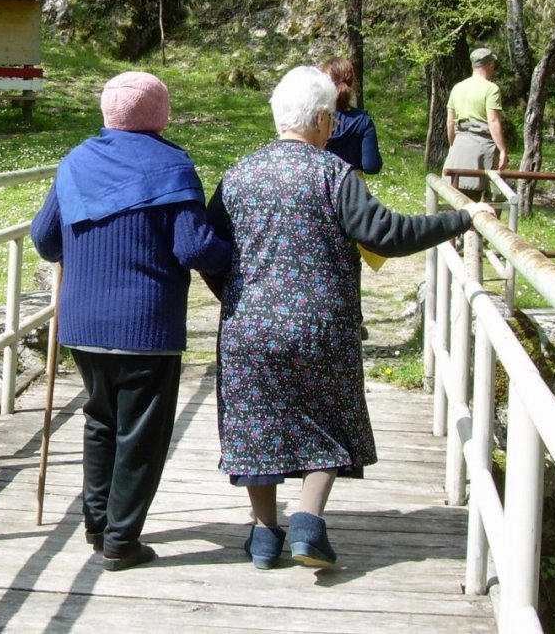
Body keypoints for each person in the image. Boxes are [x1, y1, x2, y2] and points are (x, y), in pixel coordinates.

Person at [204, 65, 494, 571]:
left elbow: (209, 250)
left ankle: (264, 536)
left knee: (255, 423)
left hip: (249, 327)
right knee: (329, 417)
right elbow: (385, 233)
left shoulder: (237, 176)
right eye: (332, 119)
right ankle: (308, 525)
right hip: (323, 326)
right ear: (321, 120)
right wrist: (463, 217)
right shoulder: (333, 175)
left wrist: (233, 295)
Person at [31, 71, 232, 572]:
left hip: (83, 324)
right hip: (146, 326)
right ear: (160, 114)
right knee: (140, 434)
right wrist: (238, 253)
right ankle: (121, 541)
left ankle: (97, 523)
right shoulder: (172, 165)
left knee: (100, 420)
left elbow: (45, 238)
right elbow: (193, 247)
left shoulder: (76, 161)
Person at [321, 56, 383, 339]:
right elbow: (372, 165)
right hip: (350, 193)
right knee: (350, 257)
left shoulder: (318, 119)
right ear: (352, 83)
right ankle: (352, 320)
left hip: (316, 190)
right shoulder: (362, 121)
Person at [443, 46, 508, 201]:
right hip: (482, 148)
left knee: (456, 198)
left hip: (459, 146)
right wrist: (503, 150)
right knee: (490, 196)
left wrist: (453, 145)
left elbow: (450, 122)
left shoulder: (457, 88)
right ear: (490, 65)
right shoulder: (491, 89)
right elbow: (493, 121)